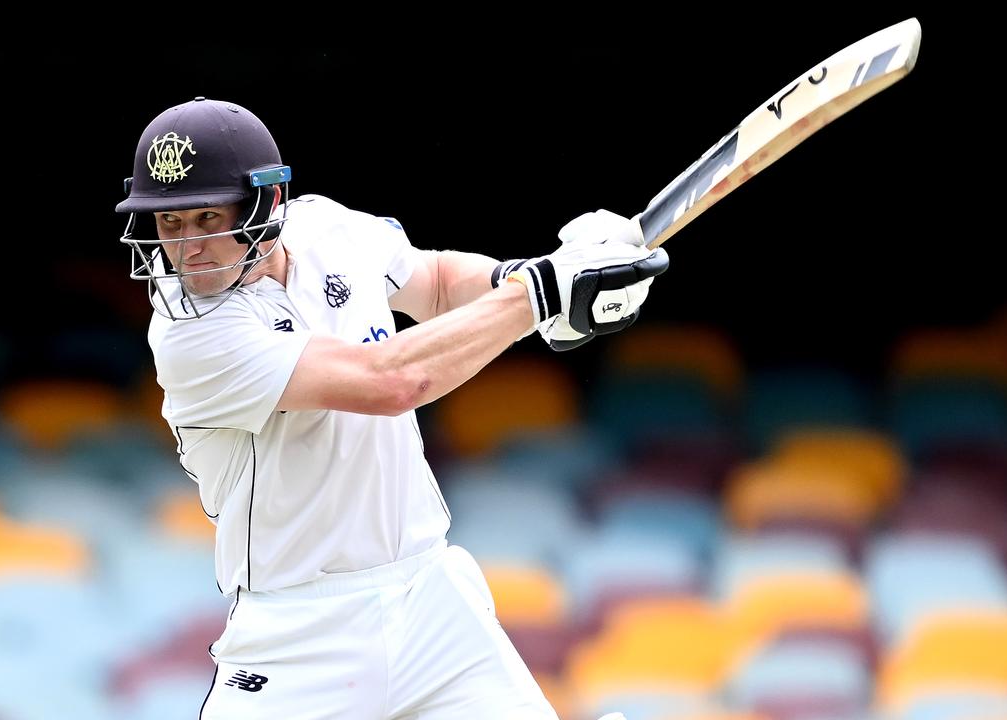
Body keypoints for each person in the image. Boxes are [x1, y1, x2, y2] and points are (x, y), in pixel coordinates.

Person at [115, 96, 667, 720]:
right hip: (297, 635)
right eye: (169, 225)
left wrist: (533, 277)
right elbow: (390, 382)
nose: (187, 249)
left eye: (207, 218)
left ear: (267, 205)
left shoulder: (328, 228)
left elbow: (431, 282)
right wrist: (543, 293)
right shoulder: (191, 336)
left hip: (432, 601)